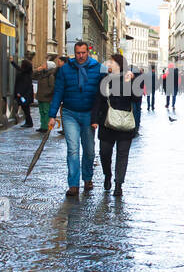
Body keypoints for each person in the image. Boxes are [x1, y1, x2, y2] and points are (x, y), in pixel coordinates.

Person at [48, 40, 104, 197]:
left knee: (89, 150)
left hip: (88, 114)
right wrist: (52, 115)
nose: (80, 56)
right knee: (73, 149)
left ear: (88, 52)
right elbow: (58, 92)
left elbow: (106, 89)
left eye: (83, 53)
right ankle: (73, 184)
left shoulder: (98, 68)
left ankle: (87, 178)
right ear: (75, 53)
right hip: (69, 113)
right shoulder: (65, 70)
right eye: (78, 53)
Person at [93, 53, 139, 197]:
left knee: (122, 155)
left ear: (118, 65)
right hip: (106, 123)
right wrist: (94, 119)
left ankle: (119, 184)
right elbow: (98, 101)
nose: (108, 64)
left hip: (125, 123)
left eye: (111, 62)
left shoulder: (129, 80)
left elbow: (136, 99)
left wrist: (131, 81)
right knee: (104, 153)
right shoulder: (104, 80)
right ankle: (107, 174)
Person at [34, 55, 59, 133]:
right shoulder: (42, 74)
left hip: (46, 97)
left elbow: (52, 87)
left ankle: (46, 127)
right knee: (41, 112)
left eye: (45, 65)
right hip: (40, 96)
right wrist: (37, 70)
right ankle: (42, 126)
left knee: (46, 112)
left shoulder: (50, 75)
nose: (42, 66)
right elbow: (32, 76)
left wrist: (47, 94)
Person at [13, 57, 35, 128]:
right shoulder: (26, 73)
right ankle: (28, 122)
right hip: (25, 95)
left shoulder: (24, 74)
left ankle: (29, 122)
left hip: (24, 96)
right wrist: (12, 62)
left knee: (26, 109)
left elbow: (23, 85)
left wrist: (19, 93)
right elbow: (19, 69)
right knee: (26, 109)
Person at [129, 65, 144, 132]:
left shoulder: (131, 78)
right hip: (139, 97)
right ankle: (137, 126)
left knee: (134, 112)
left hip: (132, 97)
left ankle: (134, 127)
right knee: (138, 111)